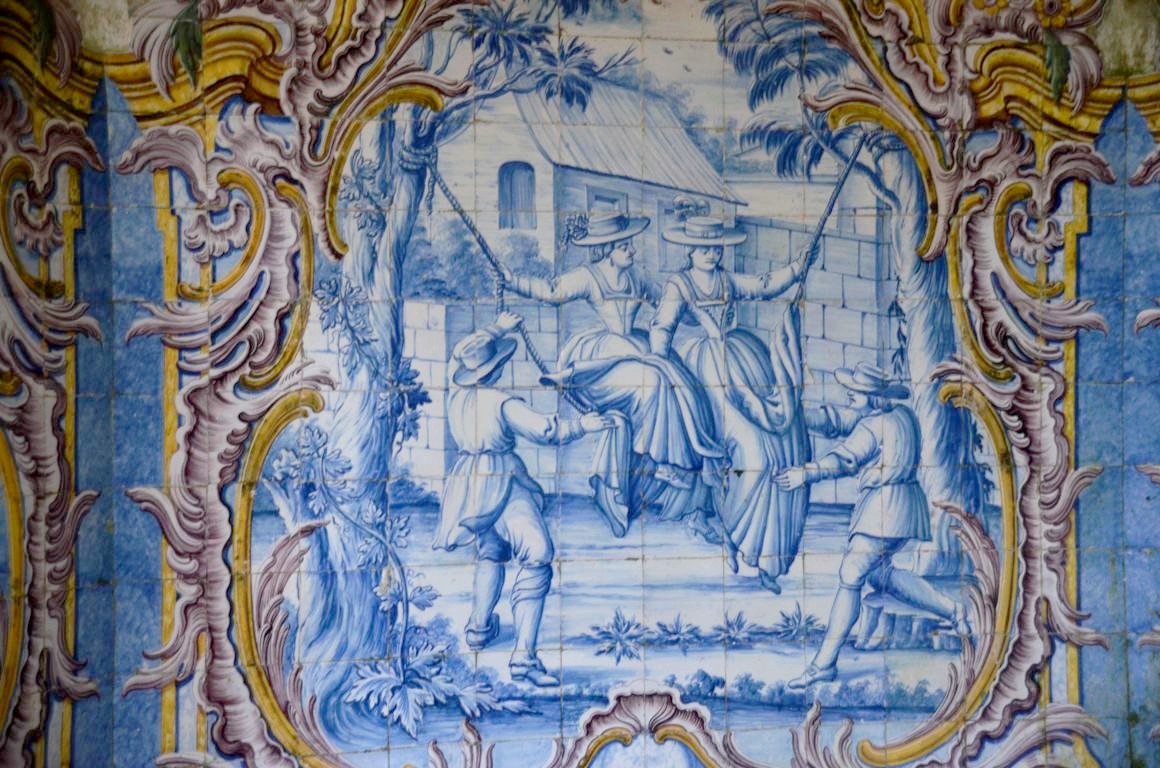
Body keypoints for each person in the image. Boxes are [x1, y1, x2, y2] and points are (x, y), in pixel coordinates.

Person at [500, 210, 726, 540]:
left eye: (630, 244)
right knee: (653, 382)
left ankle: (672, 469)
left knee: (681, 385)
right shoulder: (588, 277)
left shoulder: (636, 277)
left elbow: (667, 302)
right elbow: (551, 290)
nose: (632, 250)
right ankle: (660, 461)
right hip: (601, 361)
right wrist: (512, 281)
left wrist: (699, 310)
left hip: (633, 350)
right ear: (607, 250)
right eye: (624, 246)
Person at [433, 312, 616, 686]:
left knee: (491, 549)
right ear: (497, 368)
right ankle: (523, 659)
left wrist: (496, 327)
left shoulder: (457, 393)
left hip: (468, 483)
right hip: (502, 480)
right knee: (537, 554)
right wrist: (584, 425)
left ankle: (479, 629)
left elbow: (457, 356)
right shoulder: (501, 402)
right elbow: (546, 430)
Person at [775, 362, 972, 689]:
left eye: (855, 392)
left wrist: (804, 474)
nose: (849, 395)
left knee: (850, 575)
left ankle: (824, 663)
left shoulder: (873, 426)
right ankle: (954, 611)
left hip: (883, 510)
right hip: (906, 507)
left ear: (872, 396)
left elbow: (845, 460)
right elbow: (841, 422)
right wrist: (794, 415)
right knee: (881, 574)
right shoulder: (902, 416)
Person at [649, 216, 812, 593]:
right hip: (706, 372)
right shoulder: (679, 284)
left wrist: (797, 267)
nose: (711, 253)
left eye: (716, 247)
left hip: (743, 361)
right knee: (754, 458)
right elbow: (662, 329)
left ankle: (769, 556)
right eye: (704, 247)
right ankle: (736, 533)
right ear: (690, 250)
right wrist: (661, 366)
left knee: (778, 453)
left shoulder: (727, 279)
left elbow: (765, 285)